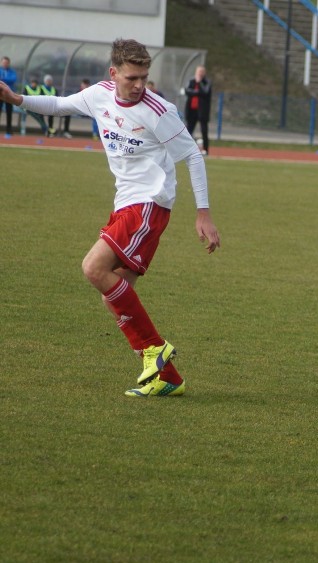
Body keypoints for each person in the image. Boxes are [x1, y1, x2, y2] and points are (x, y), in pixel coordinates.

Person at [0, 38, 221, 397]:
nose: (139, 86)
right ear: (113, 73)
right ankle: (168, 377)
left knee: (93, 268)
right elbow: (59, 104)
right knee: (114, 293)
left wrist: (204, 213)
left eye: (144, 78)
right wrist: (17, 100)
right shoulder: (99, 94)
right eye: (132, 78)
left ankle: (155, 349)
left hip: (149, 203)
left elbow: (193, 156)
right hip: (126, 202)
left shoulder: (159, 111)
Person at [184, 65, 212, 155]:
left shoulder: (207, 82)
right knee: (188, 130)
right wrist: (197, 92)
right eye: (198, 72)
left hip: (202, 111)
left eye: (201, 72)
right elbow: (187, 91)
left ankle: (205, 150)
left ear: (204, 73)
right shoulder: (191, 81)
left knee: (204, 130)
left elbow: (205, 92)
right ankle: (186, 149)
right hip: (191, 109)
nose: (199, 74)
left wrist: (199, 83)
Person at [0, 56, 17, 137]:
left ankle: (8, 129)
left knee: (9, 112)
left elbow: (13, 79)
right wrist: (6, 80)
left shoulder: (12, 71)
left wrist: (3, 79)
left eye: (6, 62)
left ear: (8, 63)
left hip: (9, 94)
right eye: (3, 62)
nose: (5, 64)